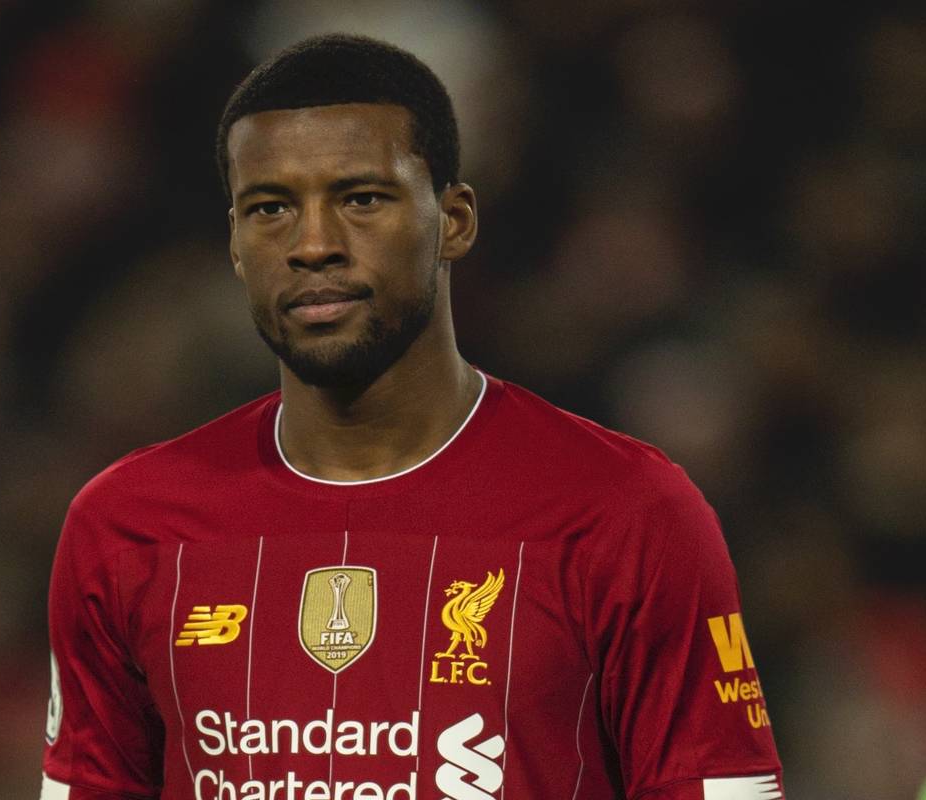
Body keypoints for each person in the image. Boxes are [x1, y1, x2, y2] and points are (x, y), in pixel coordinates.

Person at [40, 33, 783, 800]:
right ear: (234, 241)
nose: (314, 245)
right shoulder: (128, 526)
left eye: (361, 198)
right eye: (270, 209)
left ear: (454, 220)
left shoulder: (627, 513)